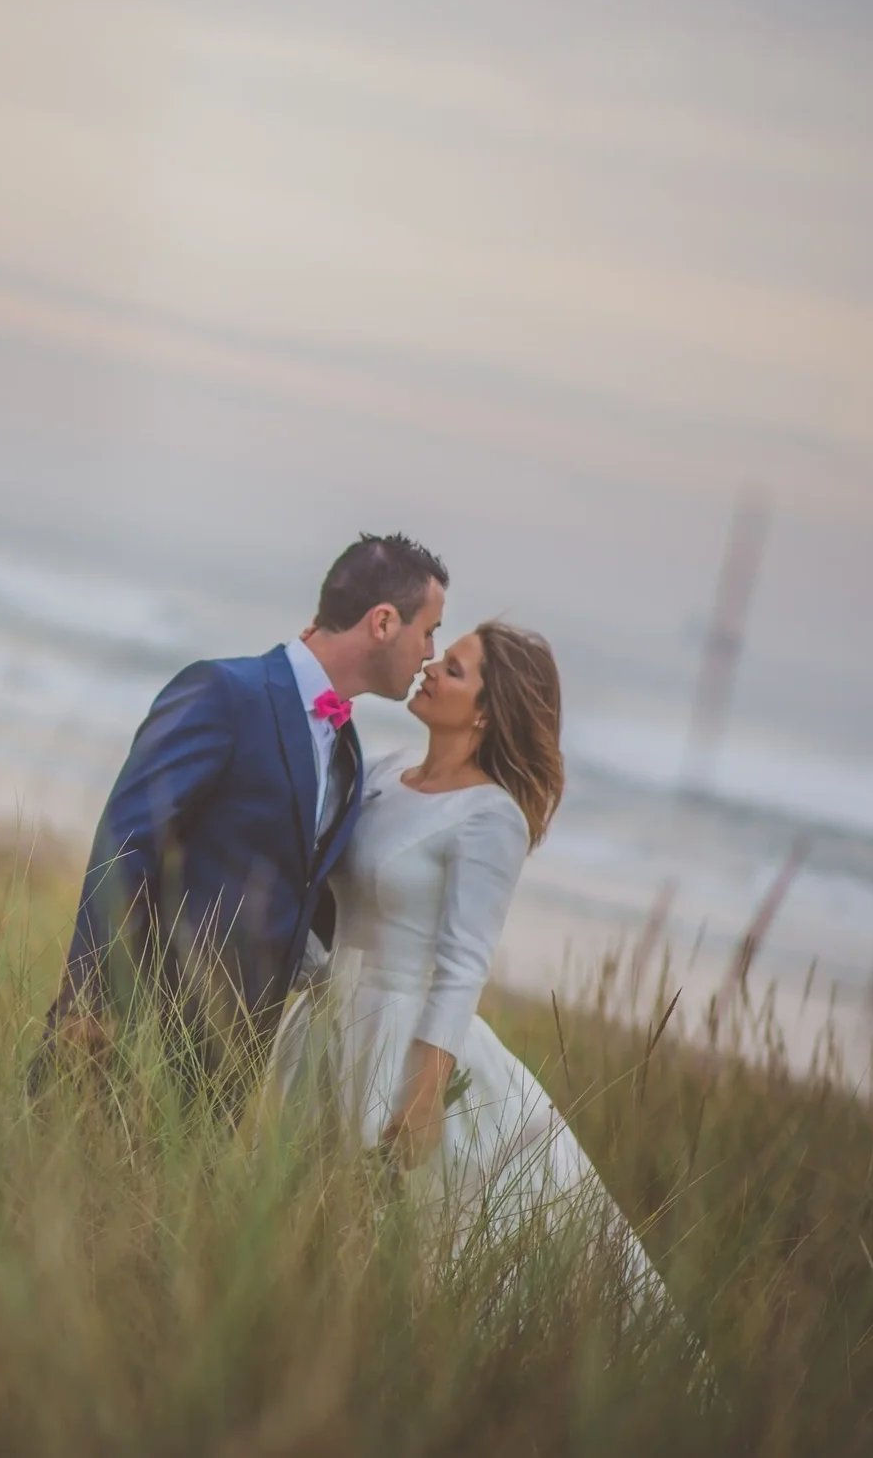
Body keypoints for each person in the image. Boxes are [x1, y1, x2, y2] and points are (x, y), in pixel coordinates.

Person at [266, 621, 671, 1309]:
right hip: (328, 1021)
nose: (428, 667)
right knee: (305, 1219)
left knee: (405, 1240)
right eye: (440, 656)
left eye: (452, 668)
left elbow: (462, 964)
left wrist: (425, 1095)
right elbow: (328, 883)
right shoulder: (389, 771)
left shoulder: (491, 817)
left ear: (486, 710)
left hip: (401, 1041)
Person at [33, 534, 449, 1101]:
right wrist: (88, 1000)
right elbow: (126, 845)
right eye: (428, 631)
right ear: (382, 623)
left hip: (228, 1065)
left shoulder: (347, 749)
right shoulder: (224, 693)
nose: (430, 653)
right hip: (132, 1035)